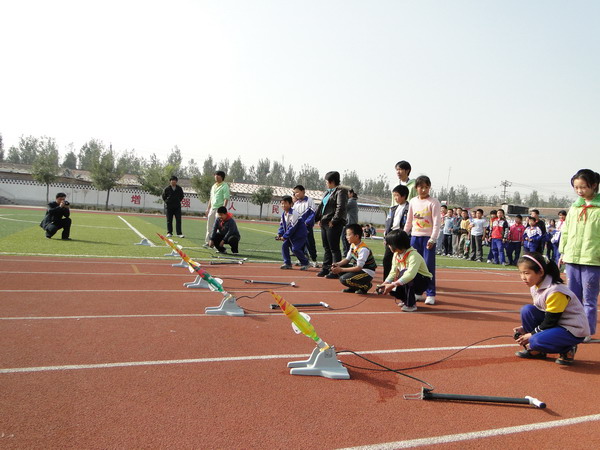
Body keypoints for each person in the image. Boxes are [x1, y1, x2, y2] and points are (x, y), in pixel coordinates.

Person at [513, 252, 589, 365]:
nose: (523, 277)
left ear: (540, 272)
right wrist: (524, 328)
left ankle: (567, 349)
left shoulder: (555, 291)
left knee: (535, 340)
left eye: (526, 273)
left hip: (572, 329)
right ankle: (538, 351)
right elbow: (543, 312)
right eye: (521, 273)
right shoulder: (535, 285)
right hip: (557, 323)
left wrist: (531, 334)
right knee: (527, 310)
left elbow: (550, 320)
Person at [559, 169, 600, 341]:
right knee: (572, 297)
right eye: (576, 188)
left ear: (594, 186)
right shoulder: (574, 208)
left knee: (589, 299)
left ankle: (587, 331)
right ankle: (571, 327)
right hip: (572, 259)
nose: (580, 191)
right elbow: (566, 231)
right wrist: (563, 252)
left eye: (583, 187)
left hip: (593, 259)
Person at [403, 175, 441, 305]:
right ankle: (418, 292)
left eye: (426, 187)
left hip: (427, 239)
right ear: (416, 188)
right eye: (421, 187)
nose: (424, 190)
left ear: (429, 188)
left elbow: (437, 222)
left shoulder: (434, 202)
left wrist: (433, 238)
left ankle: (431, 293)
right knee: (413, 266)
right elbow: (409, 221)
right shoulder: (413, 201)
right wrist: (403, 235)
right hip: (415, 237)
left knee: (428, 267)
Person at [379, 230, 432, 312]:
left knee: (404, 274)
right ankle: (406, 300)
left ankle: (411, 305)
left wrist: (392, 284)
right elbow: (393, 272)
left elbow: (410, 275)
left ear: (397, 244)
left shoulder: (414, 255)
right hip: (408, 278)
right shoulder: (396, 255)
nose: (388, 246)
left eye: (390, 244)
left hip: (422, 281)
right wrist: (385, 283)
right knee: (392, 289)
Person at [315, 171, 348, 278]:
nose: (325, 183)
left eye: (326, 181)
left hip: (333, 223)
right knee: (326, 247)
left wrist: (334, 220)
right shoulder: (328, 192)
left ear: (332, 181)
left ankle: (335, 271)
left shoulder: (341, 192)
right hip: (324, 222)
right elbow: (321, 207)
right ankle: (326, 268)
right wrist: (317, 218)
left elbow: (340, 208)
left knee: (334, 248)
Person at [331, 224, 377, 294]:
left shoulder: (363, 249)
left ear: (356, 236)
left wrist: (341, 269)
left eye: (349, 235)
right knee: (338, 268)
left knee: (343, 279)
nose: (346, 237)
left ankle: (365, 286)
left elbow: (358, 268)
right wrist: (337, 264)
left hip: (367, 272)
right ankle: (353, 287)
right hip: (359, 269)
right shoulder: (352, 245)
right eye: (346, 235)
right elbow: (347, 259)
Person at [382, 184, 409, 280]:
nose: (395, 198)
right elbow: (388, 223)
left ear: (404, 196)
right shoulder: (393, 209)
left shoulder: (409, 208)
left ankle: (401, 282)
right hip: (391, 236)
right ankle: (386, 281)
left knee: (401, 261)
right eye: (394, 195)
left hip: (401, 236)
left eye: (397, 195)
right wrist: (386, 237)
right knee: (387, 260)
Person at [277, 195, 309, 270]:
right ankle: (287, 263)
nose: (283, 205)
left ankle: (305, 263)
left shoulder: (294, 213)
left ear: (291, 204)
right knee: (284, 245)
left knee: (295, 249)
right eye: (282, 203)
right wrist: (279, 233)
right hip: (291, 235)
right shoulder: (283, 214)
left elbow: (292, 227)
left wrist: (284, 236)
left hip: (299, 235)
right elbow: (282, 225)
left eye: (285, 203)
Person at [292, 185, 318, 266]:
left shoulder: (309, 200)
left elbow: (313, 213)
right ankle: (302, 260)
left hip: (307, 227)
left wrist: (306, 223)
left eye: (297, 192)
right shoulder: (296, 204)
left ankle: (314, 260)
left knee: (310, 243)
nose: (296, 194)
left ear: (303, 191)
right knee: (300, 244)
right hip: (298, 228)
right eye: (294, 193)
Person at [204, 170, 230, 246]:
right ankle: (208, 242)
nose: (216, 176)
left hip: (219, 209)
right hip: (212, 208)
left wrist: (223, 210)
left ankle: (216, 243)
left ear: (222, 177)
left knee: (219, 227)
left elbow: (226, 198)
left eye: (218, 175)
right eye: (215, 175)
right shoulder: (213, 186)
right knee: (210, 226)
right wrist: (208, 208)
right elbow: (211, 198)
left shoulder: (225, 186)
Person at [343, 189, 359, 255]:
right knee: (347, 238)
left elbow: (343, 207)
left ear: (351, 194)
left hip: (350, 223)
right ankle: (349, 252)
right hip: (351, 222)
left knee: (346, 238)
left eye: (348, 193)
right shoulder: (352, 201)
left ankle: (347, 253)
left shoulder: (351, 201)